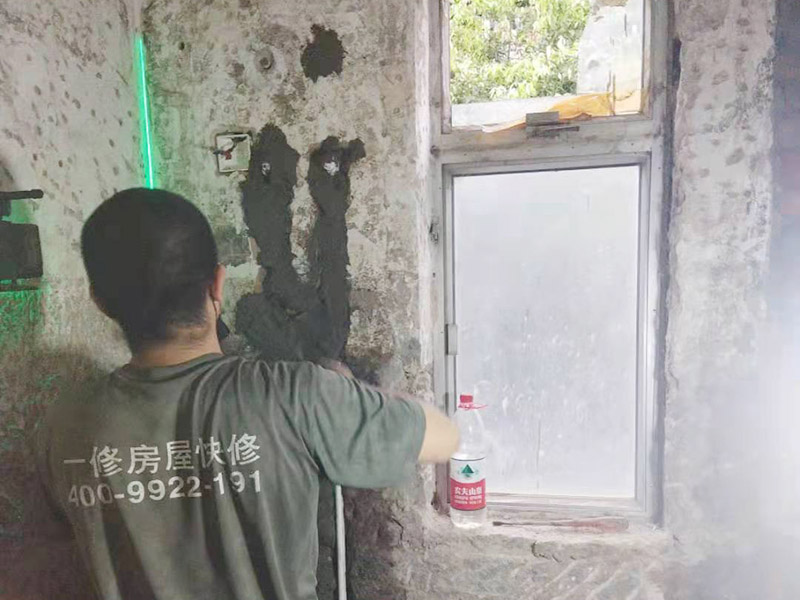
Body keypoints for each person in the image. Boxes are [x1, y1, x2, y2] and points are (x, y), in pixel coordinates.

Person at [37, 188, 459, 600]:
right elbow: (444, 437)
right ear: (217, 284)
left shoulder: (63, 426)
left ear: (100, 302)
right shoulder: (297, 395)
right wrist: (345, 392)